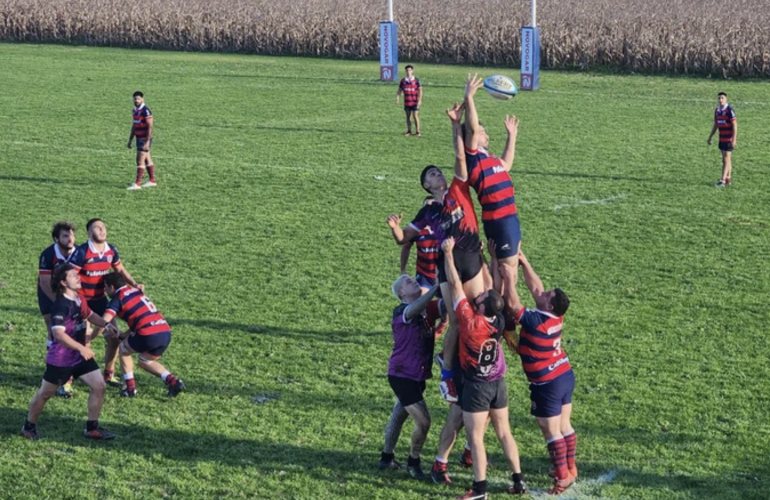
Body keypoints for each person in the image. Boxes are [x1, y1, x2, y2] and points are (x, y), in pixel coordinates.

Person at [442, 237, 527, 499]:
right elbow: (492, 289)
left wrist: (447, 254)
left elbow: (455, 285)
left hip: (477, 386)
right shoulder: (498, 319)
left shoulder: (470, 321)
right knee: (504, 432)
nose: (476, 298)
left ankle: (479, 490)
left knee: (476, 437)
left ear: (480, 309)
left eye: (478, 300)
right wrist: (486, 259)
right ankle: (519, 480)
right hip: (498, 383)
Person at [499, 252, 576, 495]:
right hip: (563, 374)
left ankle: (562, 477)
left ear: (549, 305)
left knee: (548, 427)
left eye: (547, 296)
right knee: (564, 425)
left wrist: (509, 279)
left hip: (547, 383)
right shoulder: (554, 316)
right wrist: (524, 262)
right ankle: (571, 469)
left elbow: (513, 306)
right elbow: (536, 288)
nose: (542, 293)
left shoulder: (535, 321)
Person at [21, 264, 119, 440]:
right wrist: (82, 347)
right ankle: (28, 426)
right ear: (63, 282)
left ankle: (92, 428)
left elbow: (89, 314)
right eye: (73, 276)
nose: (78, 277)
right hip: (61, 360)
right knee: (45, 394)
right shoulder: (60, 306)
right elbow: (58, 335)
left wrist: (106, 324)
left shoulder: (79, 298)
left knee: (99, 386)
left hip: (79, 357)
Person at [463, 74, 523, 320]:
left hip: (510, 219)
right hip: (499, 220)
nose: (484, 133)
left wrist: (512, 136)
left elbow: (507, 164)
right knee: (507, 271)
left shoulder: (490, 158)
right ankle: (500, 316)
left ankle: (500, 312)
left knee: (511, 270)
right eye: (482, 131)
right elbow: (473, 127)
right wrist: (469, 97)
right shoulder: (474, 157)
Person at [377, 276, 442, 479]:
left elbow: (448, 303)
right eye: (406, 281)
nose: (412, 280)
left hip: (416, 376)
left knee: (398, 416)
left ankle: (386, 459)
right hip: (402, 375)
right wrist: (436, 287)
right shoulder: (401, 311)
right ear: (401, 294)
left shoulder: (425, 311)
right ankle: (414, 462)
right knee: (423, 422)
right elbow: (413, 310)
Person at [70, 218, 144, 388]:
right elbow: (70, 275)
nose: (102, 230)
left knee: (114, 336)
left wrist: (134, 284)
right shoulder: (82, 252)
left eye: (103, 227)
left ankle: (108, 375)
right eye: (97, 228)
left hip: (101, 301)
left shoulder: (111, 250)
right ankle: (72, 378)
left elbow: (120, 270)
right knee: (83, 340)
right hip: (82, 301)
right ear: (89, 233)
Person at [102, 273, 185, 397]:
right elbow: (139, 317)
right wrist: (125, 334)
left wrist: (91, 335)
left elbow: (104, 320)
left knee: (123, 349)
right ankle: (173, 382)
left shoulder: (117, 298)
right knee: (145, 360)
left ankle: (130, 389)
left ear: (112, 287)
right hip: (164, 331)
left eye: (105, 287)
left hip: (148, 333)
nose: (105, 290)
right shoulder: (136, 290)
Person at [37, 221, 78, 398]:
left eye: (71, 235)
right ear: (56, 238)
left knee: (71, 333)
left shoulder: (78, 253)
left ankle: (66, 377)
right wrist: (59, 303)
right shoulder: (47, 254)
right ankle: (56, 371)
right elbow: (45, 282)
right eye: (65, 236)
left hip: (69, 296)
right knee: (54, 332)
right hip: (49, 295)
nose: (70, 239)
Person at [397, 197, 440, 293]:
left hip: (443, 274)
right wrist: (403, 270)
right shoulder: (416, 229)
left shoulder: (445, 227)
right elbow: (406, 246)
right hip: (424, 275)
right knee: (420, 301)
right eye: (427, 207)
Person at [127, 91, 157, 190]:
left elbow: (150, 126)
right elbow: (134, 126)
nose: (136, 100)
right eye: (135, 99)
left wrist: (148, 141)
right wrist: (130, 139)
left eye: (138, 98)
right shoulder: (135, 110)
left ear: (142, 99)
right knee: (147, 159)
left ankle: (137, 184)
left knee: (139, 160)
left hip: (144, 139)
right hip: (138, 138)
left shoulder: (145, 110)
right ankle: (152, 181)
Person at [707, 92, 737, 187]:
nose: (720, 100)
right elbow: (716, 124)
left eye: (722, 98)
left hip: (729, 138)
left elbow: (735, 125)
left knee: (725, 159)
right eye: (719, 98)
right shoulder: (717, 111)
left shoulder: (729, 110)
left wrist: (734, 139)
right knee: (727, 159)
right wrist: (711, 136)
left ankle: (722, 180)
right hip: (722, 138)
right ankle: (728, 178)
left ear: (726, 99)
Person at [396, 65, 423, 137]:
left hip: (414, 101)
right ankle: (409, 131)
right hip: (407, 102)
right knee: (408, 117)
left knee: (415, 116)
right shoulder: (403, 81)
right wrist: (397, 98)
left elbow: (420, 90)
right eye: (407, 70)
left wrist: (419, 100)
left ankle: (418, 131)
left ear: (412, 71)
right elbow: (399, 90)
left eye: (409, 70)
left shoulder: (416, 80)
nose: (408, 72)